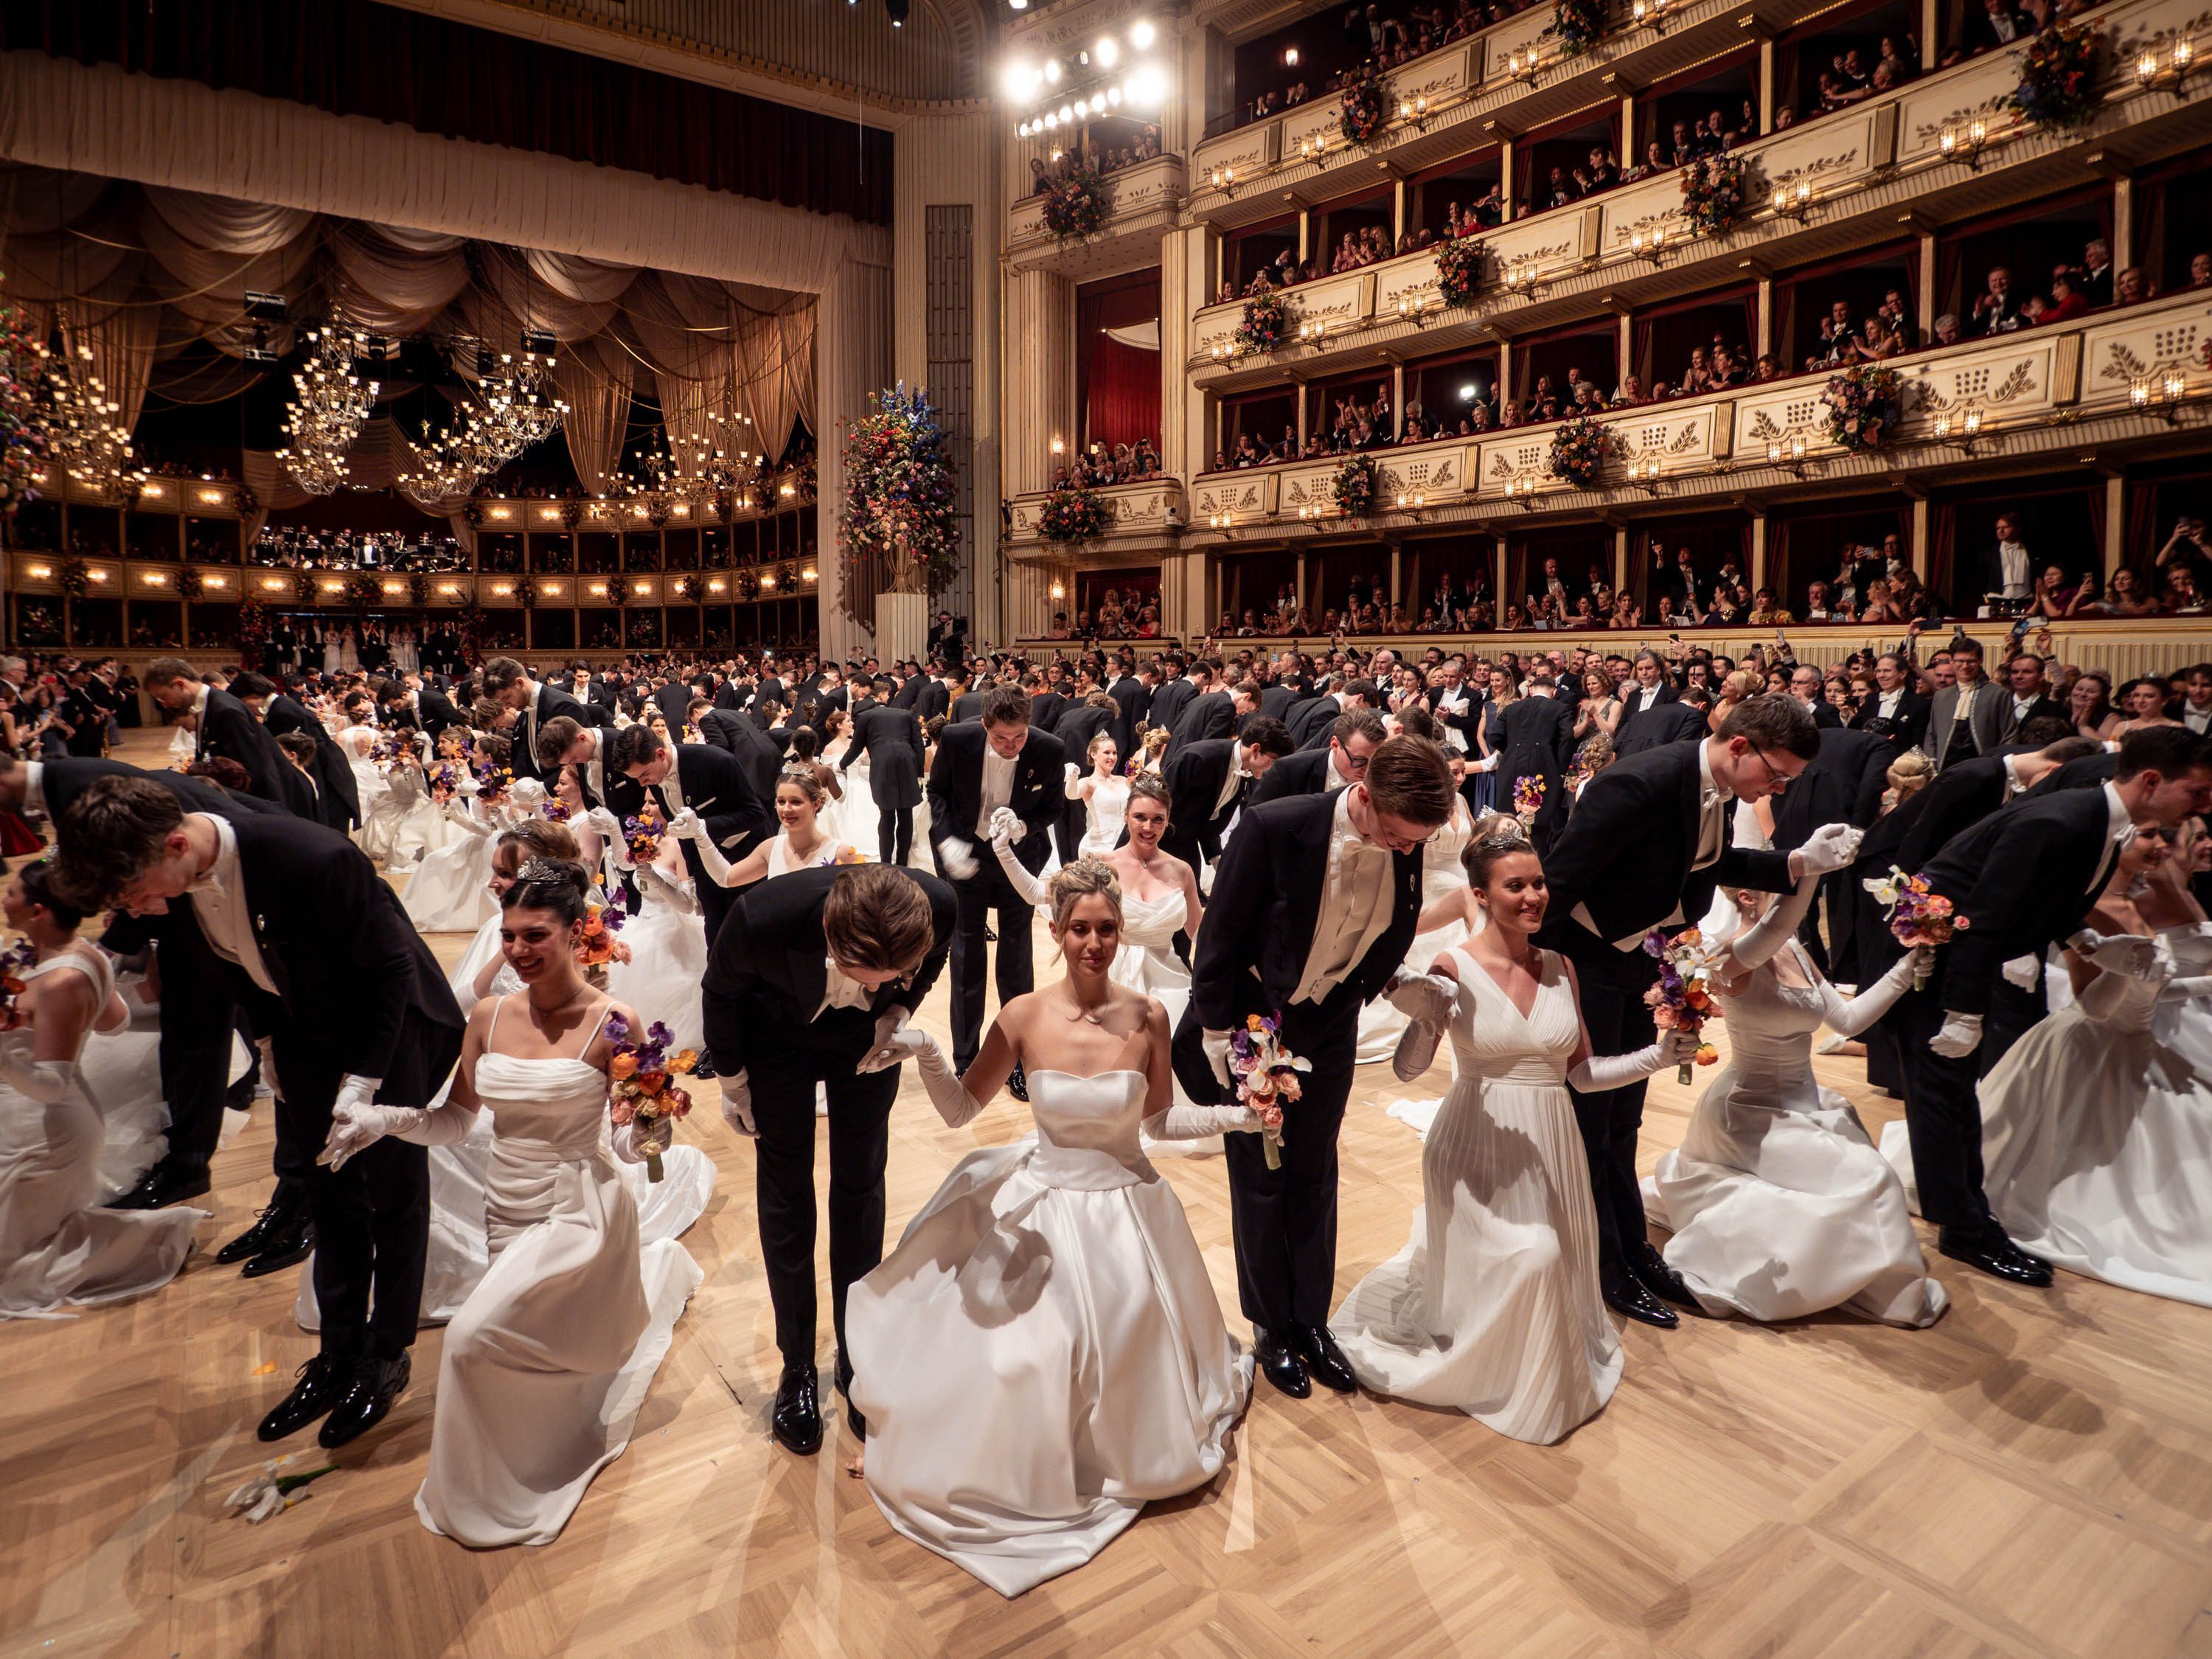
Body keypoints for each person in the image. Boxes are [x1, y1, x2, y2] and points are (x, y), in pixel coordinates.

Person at [844, 860, 1256, 1597]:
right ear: (1056, 931)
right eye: (1079, 929)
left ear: (1119, 930)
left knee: (1128, 1331)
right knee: (1019, 1362)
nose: (1093, 943)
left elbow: (1159, 1122)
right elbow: (960, 1112)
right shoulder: (1024, 1016)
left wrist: (1234, 1116)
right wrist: (932, 1054)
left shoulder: (1149, 1015)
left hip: (1128, 1206)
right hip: (1044, 1207)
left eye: (1105, 929)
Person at [52, 774, 465, 1448]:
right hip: (301, 1026)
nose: (138, 909)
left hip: (388, 1029)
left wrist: (364, 1085)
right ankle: (337, 1354)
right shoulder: (178, 882)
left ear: (179, 843)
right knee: (325, 1188)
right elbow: (246, 965)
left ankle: (386, 1356)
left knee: (392, 1191)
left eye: (136, 893)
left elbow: (390, 972)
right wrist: (270, 1045)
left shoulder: (314, 856)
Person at [318, 858, 702, 1547]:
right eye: (510, 935)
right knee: (526, 1340)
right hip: (507, 1202)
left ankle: (486, 1488)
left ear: (576, 933)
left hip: (576, 1208)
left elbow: (643, 1141)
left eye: (536, 935)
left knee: (468, 1340)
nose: (519, 950)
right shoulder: (489, 1016)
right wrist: (384, 1122)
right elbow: (458, 1121)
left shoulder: (615, 1023)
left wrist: (644, 1123)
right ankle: (525, 1446)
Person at [1332, 819, 1694, 1441]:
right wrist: (1426, 1021)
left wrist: (1659, 1057)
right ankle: (1503, 1378)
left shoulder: (1561, 966)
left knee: (1546, 1261)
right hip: (1477, 1145)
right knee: (1535, 1257)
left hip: (1553, 1143)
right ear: (1478, 895)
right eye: (1515, 887)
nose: (1533, 897)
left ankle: (1537, 1369)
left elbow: (1581, 1075)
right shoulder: (1453, 965)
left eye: (1539, 884)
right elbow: (1407, 1069)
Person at [1537, 695, 1860, 1329]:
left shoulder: (1713, 788)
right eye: (1776, 774)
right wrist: (1541, 980)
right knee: (1590, 1121)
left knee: (1624, 1118)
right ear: (1739, 746)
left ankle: (1632, 1249)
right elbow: (1562, 880)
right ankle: (1599, 1262)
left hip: (1640, 963)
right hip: (1590, 964)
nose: (1778, 787)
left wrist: (1796, 863)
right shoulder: (1636, 782)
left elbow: (1710, 862)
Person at [1173, 736, 1458, 1400]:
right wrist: (1217, 1026)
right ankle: (1272, 1325)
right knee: (1262, 1171)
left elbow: (1391, 926)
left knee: (1315, 1167)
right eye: (1396, 835)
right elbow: (1219, 934)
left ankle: (1312, 1319)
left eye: (1418, 842)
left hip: (1330, 1023)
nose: (1407, 852)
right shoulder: (1277, 826)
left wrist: (1376, 987)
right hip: (1256, 1022)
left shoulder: (1405, 843)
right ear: (1364, 795)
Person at [1881, 726, 2212, 1286]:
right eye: (2197, 793)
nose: (2204, 806)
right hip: (1936, 957)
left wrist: (2082, 940)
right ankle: (1962, 1229)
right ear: (2152, 781)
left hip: (1964, 953)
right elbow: (1983, 918)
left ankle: (1970, 1212)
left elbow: (2052, 894)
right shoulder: (2059, 821)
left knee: (1958, 1097)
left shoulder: (2102, 821)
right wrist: (1964, 1014)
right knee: (1941, 1093)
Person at [702, 864, 956, 1455]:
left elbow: (936, 957)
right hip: (776, 1042)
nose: (873, 986)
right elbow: (720, 992)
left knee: (861, 1182)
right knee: (787, 1191)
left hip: (867, 1042)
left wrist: (898, 1009)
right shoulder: (762, 917)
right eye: (860, 976)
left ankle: (856, 1349)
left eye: (887, 978)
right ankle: (796, 1365)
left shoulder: (938, 904)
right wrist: (734, 1079)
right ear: (831, 939)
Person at [1641, 860, 1948, 1326]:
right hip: (1751, 1111)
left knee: (1865, 1174)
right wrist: (1812, 869)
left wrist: (1907, 969)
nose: (1795, 900)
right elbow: (1772, 929)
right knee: (1872, 1179)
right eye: (1787, 888)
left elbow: (1847, 1022)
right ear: (1748, 897)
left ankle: (1870, 1279)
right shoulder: (1728, 957)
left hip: (1807, 1104)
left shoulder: (1795, 949)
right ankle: (1888, 1294)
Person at [1966, 830, 2211, 1306]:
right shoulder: (2088, 906)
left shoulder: (2142, 895)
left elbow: (2157, 986)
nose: (2159, 843)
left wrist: (2183, 983)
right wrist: (2124, 969)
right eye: (2148, 835)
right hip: (2093, 1044)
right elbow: (2095, 1007)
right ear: (2114, 844)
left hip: (2139, 1042)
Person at [0, 858, 206, 1318]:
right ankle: (150, 1241)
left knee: (11, 1264)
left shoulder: (61, 979)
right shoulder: (81, 955)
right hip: (39, 1116)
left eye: (12, 893)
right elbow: (118, 1022)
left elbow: (52, 1086)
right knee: (26, 1235)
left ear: (39, 911)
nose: (4, 899)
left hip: (45, 1127)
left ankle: (156, 1243)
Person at [924, 684, 1068, 1071]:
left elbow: (1053, 808)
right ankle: (967, 1059)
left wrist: (1024, 825)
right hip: (967, 857)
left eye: (1019, 736)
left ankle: (1018, 1060)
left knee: (1016, 956)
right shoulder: (957, 738)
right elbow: (936, 792)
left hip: (1019, 860)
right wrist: (948, 840)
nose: (1011, 746)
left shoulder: (1049, 748)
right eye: (1001, 738)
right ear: (985, 725)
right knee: (967, 954)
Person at [842, 677, 925, 866]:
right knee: (906, 813)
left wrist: (841, 765)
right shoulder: (905, 714)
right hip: (907, 761)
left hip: (882, 764)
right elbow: (918, 745)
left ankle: (886, 862)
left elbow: (855, 748)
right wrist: (918, 773)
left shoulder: (865, 717)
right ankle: (903, 862)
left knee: (886, 814)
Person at [1065, 730, 1131, 857]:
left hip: (1125, 844)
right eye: (1107, 753)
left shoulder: (1123, 781)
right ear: (1094, 755)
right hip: (1099, 847)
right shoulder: (1089, 783)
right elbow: (1071, 794)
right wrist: (1072, 776)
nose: (1112, 757)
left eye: (1114, 753)